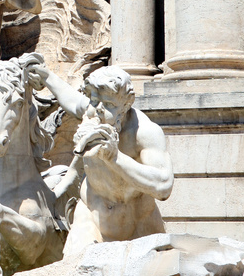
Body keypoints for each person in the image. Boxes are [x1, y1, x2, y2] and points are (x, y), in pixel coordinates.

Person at [27, 62, 174, 258]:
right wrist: (46, 76)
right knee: (77, 272)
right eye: (94, 101)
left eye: (109, 104)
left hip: (140, 224)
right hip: (92, 219)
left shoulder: (144, 133)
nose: (97, 110)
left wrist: (114, 158)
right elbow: (71, 99)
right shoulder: (91, 111)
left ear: (126, 105)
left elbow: (163, 186)